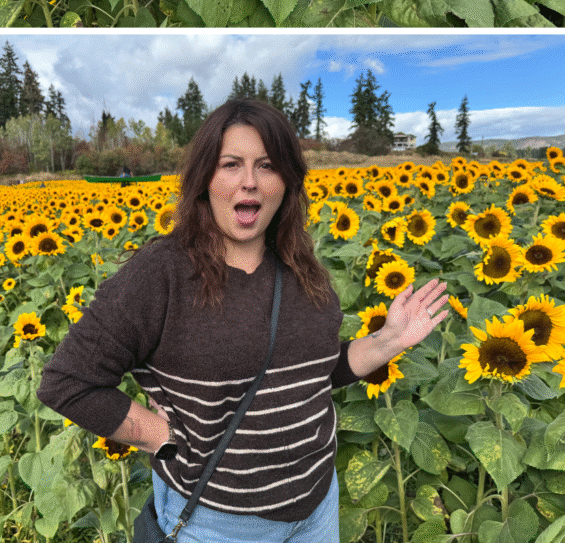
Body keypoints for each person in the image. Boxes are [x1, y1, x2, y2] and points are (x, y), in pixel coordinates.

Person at [36, 98, 449, 543]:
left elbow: (313, 374)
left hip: (318, 506)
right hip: (217, 523)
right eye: (231, 164)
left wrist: (388, 341)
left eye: (267, 166)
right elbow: (68, 381)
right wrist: (159, 435)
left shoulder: (302, 266)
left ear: (287, 181)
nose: (248, 182)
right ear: (204, 179)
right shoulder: (162, 274)